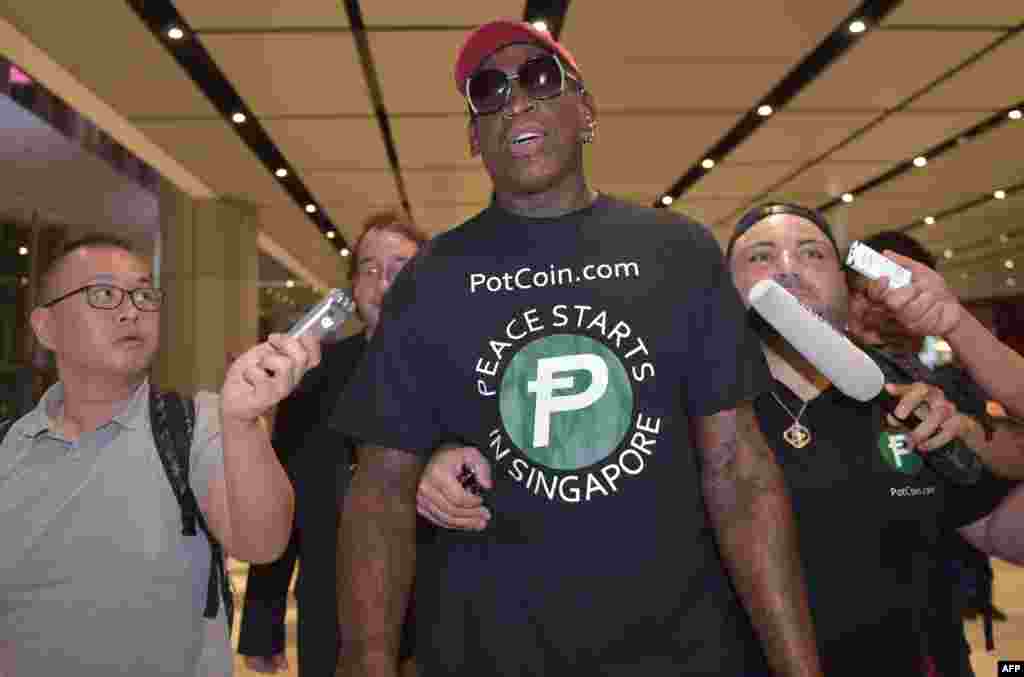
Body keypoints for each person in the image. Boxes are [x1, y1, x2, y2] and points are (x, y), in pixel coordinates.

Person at [334, 21, 823, 677]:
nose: (515, 100)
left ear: (585, 111)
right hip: (488, 652)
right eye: (489, 90)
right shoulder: (431, 280)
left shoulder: (677, 253)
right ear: (474, 139)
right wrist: (365, 661)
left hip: (680, 650)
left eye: (539, 79)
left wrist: (798, 666)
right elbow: (379, 492)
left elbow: (740, 470)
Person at [419, 204, 1024, 676]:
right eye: (759, 256)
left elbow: (1007, 534)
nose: (787, 268)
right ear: (720, 293)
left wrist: (958, 329)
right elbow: (533, 466)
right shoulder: (669, 408)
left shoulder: (912, 400)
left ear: (848, 285)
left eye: (811, 252)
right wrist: (447, 455)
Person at [0, 234, 319, 676]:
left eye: (144, 294)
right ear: (45, 326)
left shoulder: (195, 425)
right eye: (105, 294)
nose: (132, 310)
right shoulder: (8, 449)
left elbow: (262, 543)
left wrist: (243, 422)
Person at [238, 211, 427, 676]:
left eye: (401, 267)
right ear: (351, 286)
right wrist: (263, 620)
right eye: (368, 267)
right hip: (332, 613)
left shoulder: (464, 375)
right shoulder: (313, 379)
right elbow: (283, 501)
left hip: (435, 617)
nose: (383, 282)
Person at [847, 230, 1024, 676]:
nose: (886, 305)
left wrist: (965, 430)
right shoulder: (810, 377)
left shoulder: (948, 384)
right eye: (870, 291)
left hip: (934, 623)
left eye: (903, 292)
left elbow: (1004, 470)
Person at [860, 237, 1024, 419]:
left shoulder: (952, 381)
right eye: (869, 297)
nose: (891, 311)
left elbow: (997, 433)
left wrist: (967, 429)